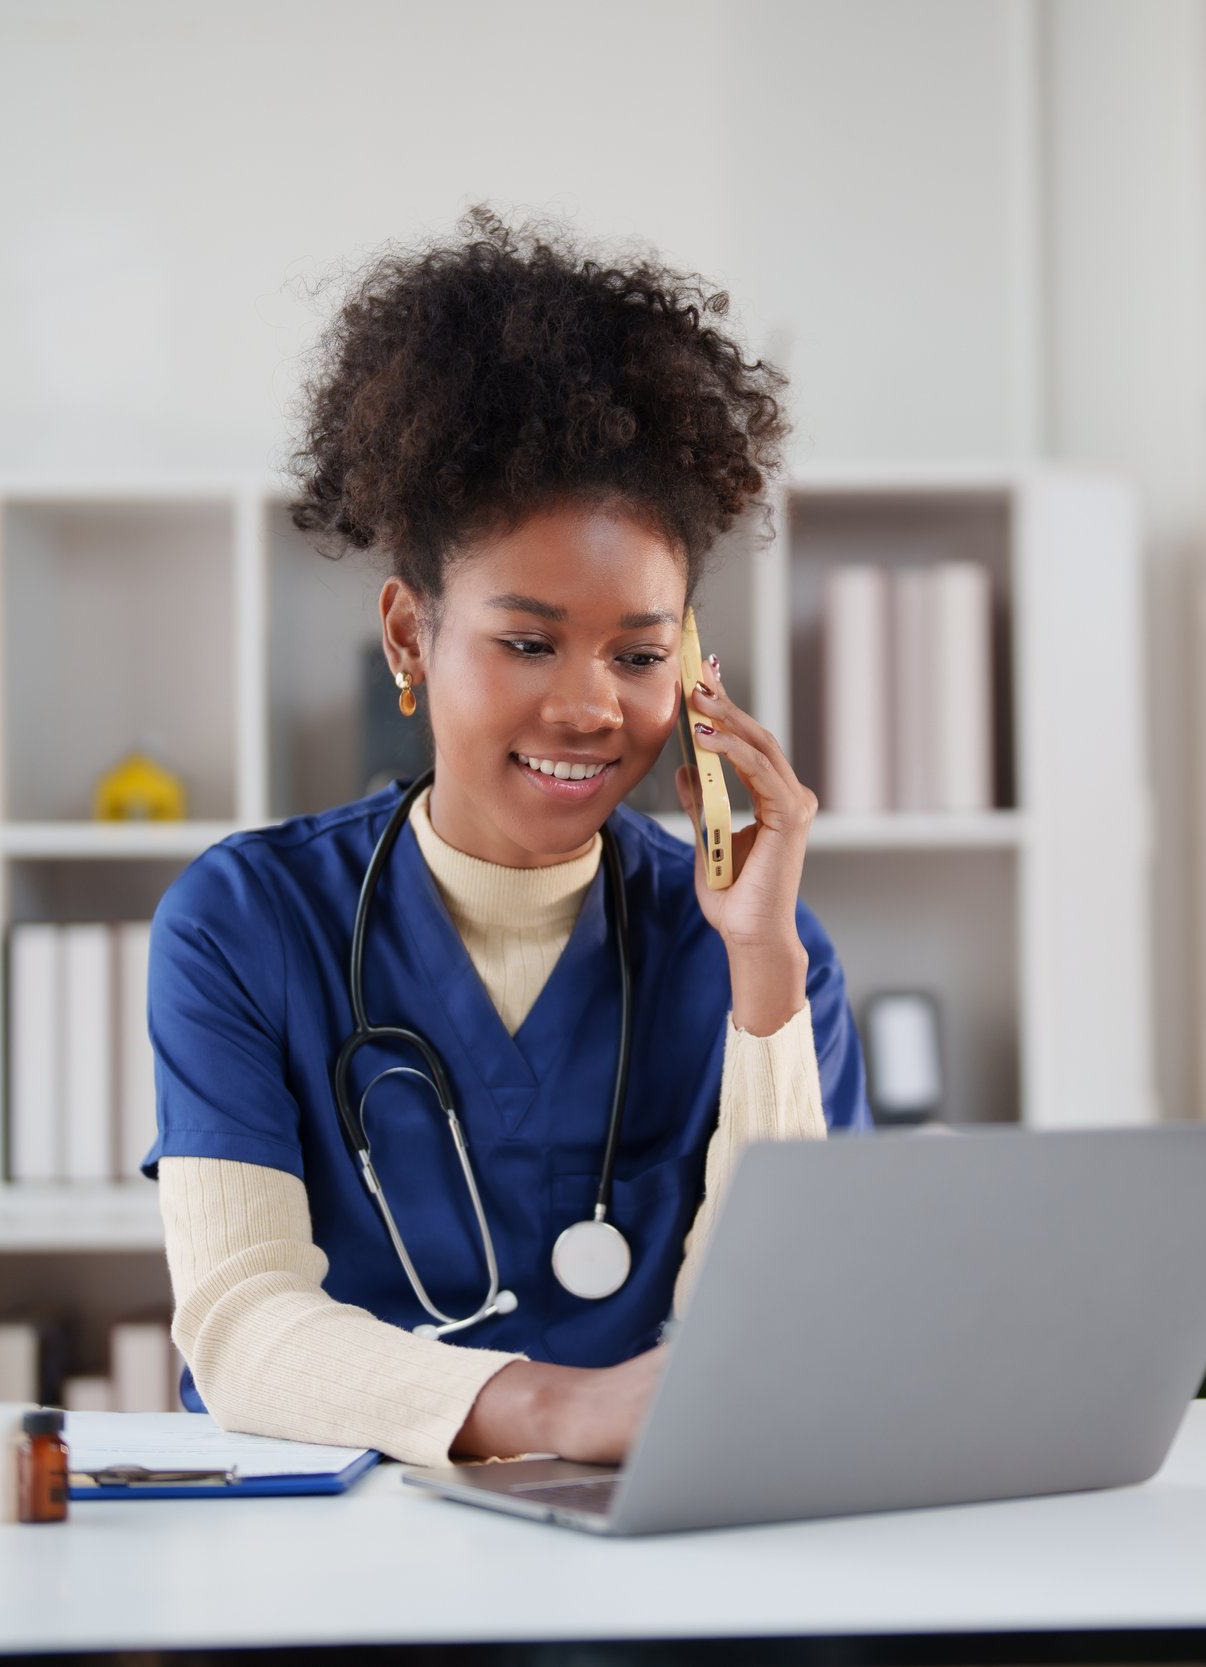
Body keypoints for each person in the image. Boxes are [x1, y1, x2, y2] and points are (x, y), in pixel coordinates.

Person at [145, 210, 868, 1467]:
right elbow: (239, 1323)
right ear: (410, 639)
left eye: (639, 653)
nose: (591, 704)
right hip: (355, 1551)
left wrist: (762, 984)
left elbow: (784, 1334)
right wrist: (557, 1406)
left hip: (658, 1545)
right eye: (528, 641)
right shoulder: (247, 921)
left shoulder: (767, 950)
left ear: (694, 666)